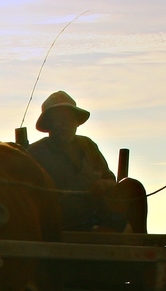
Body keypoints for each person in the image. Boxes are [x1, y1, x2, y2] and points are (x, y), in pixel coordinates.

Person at [27, 91, 145, 232]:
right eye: (59, 119)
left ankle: (141, 239)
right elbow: (30, 196)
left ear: (76, 122)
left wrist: (103, 184)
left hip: (100, 216)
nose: (65, 124)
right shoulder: (35, 153)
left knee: (133, 186)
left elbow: (110, 179)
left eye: (70, 118)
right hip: (62, 224)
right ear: (49, 124)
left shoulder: (88, 145)